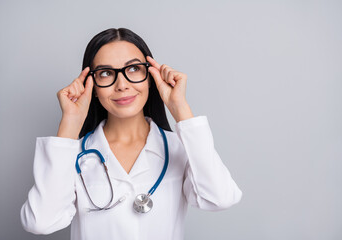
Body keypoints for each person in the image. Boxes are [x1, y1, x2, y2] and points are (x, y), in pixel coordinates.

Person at [20, 28, 242, 240]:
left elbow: (220, 198)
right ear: (92, 86)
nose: (122, 84)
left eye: (134, 69)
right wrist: (70, 123)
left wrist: (180, 108)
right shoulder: (75, 154)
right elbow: (40, 222)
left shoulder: (179, 148)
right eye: (106, 73)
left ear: (150, 77)